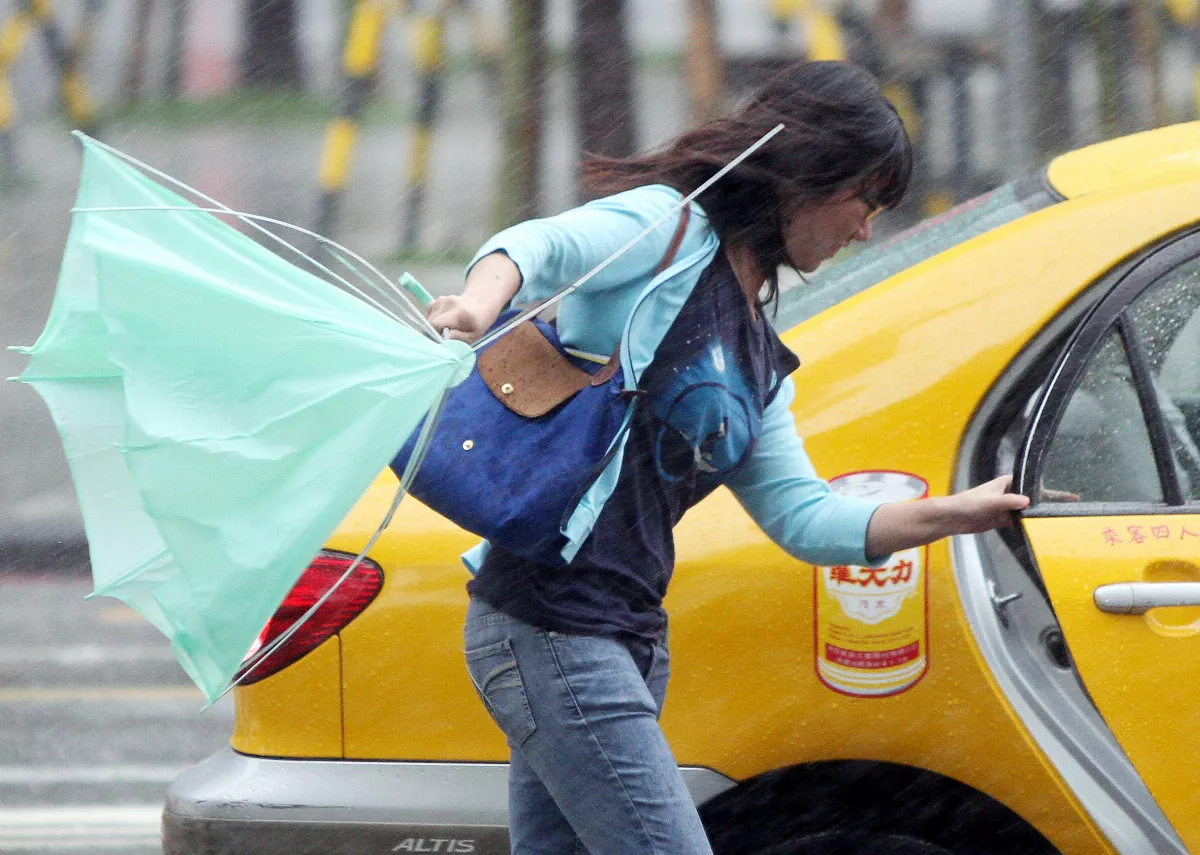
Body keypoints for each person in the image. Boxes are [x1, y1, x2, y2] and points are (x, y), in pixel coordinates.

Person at [426, 61, 1029, 855]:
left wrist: (958, 512)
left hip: (630, 640)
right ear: (809, 175)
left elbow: (806, 519)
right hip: (550, 627)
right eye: (865, 202)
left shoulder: (758, 357)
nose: (864, 231)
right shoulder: (669, 233)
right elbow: (536, 245)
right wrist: (478, 305)